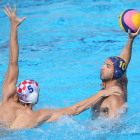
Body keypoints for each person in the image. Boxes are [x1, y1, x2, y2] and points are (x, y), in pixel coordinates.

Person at [0, 4, 122, 129]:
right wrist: (101, 93)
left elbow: (12, 61)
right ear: (35, 99)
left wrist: (13, 28)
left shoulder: (7, 100)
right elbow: (75, 110)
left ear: (18, 94)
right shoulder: (38, 116)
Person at [91, 27, 140, 118]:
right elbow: (124, 61)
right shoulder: (121, 80)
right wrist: (130, 39)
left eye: (107, 66)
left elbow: (116, 128)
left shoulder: (114, 100)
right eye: (104, 64)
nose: (102, 67)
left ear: (115, 73)